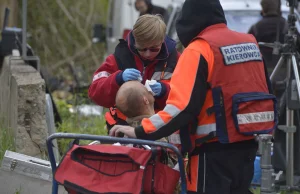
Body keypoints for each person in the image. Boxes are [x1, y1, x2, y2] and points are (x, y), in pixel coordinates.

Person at [110, 0, 277, 193]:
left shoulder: (199, 49)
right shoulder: (250, 42)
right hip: (249, 145)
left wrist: (139, 131)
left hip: (212, 151)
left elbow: (181, 108)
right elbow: (266, 91)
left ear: (187, 20)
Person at [88, 14, 180, 132]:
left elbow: (186, 97)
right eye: (142, 48)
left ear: (162, 41)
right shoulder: (119, 57)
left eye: (154, 49)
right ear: (135, 41)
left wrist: (164, 91)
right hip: (120, 126)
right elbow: (95, 93)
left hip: (158, 127)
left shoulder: (176, 60)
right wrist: (117, 79)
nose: (147, 54)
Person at [248, 0, 288, 81]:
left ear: (263, 8)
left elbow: (248, 50)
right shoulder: (286, 25)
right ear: (278, 7)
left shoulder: (256, 27)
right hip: (285, 74)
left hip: (262, 73)